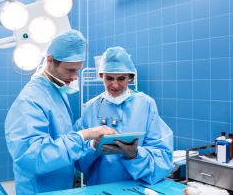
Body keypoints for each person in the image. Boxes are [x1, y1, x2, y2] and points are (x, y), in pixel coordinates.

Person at [5, 30, 116, 195]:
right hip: (39, 189)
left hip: (60, 187)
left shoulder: (57, 91)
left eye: (78, 70)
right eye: (70, 70)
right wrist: (85, 134)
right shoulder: (30, 101)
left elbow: (62, 142)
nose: (74, 77)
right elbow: (34, 158)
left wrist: (93, 145)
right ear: (49, 60)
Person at [74, 46, 173, 185]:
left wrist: (135, 154)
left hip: (136, 187)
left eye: (121, 78)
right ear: (101, 76)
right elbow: (76, 160)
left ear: (130, 78)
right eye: (109, 78)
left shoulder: (145, 104)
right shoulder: (91, 108)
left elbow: (163, 157)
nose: (115, 85)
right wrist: (92, 147)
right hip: (99, 187)